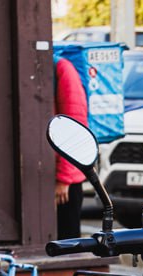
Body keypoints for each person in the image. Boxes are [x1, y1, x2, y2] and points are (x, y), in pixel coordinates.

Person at [55, 56, 89, 240]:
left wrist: (64, 179)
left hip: (65, 182)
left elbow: (74, 125)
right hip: (47, 176)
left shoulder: (61, 68)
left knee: (68, 242)